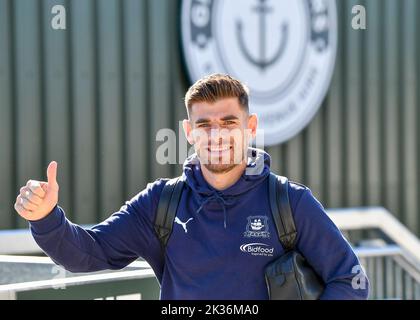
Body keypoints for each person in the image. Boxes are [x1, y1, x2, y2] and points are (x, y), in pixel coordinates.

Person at [14, 74, 369, 300]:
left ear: (251, 126)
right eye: (204, 124)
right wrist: (46, 218)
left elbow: (350, 279)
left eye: (229, 122)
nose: (216, 134)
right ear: (188, 132)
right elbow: (88, 253)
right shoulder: (161, 203)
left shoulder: (289, 202)